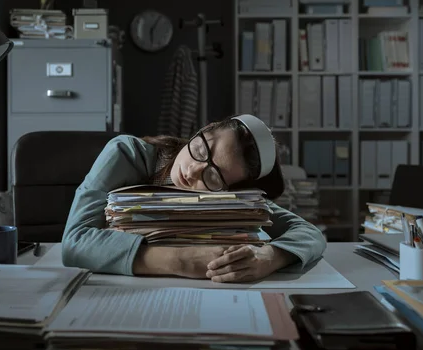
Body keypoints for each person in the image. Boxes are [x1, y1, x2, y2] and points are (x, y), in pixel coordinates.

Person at [61, 114, 326, 283]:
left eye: (213, 176)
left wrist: (268, 258)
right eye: (200, 149)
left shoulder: (232, 198)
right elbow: (75, 242)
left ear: (231, 191)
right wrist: (182, 261)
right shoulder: (127, 153)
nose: (192, 170)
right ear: (204, 129)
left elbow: (308, 232)